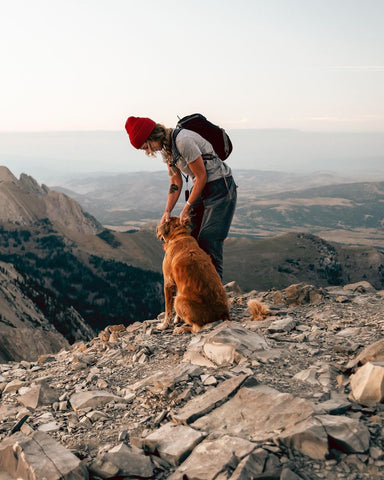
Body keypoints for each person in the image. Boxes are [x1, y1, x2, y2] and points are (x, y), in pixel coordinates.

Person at [125, 116, 237, 280]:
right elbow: (175, 182)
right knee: (191, 237)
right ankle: (199, 291)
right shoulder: (167, 151)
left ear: (151, 137)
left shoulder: (183, 141)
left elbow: (201, 176)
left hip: (220, 187)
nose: (148, 152)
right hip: (202, 189)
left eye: (146, 147)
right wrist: (167, 211)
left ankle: (215, 295)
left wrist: (187, 207)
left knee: (209, 241)